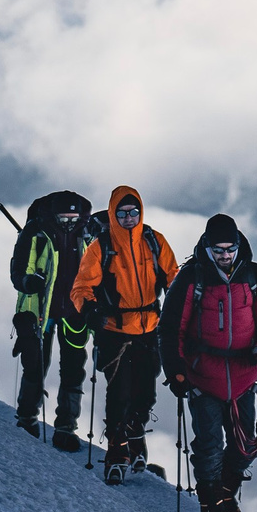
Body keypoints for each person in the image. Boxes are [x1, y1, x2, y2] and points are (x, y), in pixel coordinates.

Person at [159, 213, 257, 512]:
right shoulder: (191, 278)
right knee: (210, 448)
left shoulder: (254, 277)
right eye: (219, 249)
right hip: (203, 376)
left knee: (247, 445)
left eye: (230, 248)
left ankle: (226, 495)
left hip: (244, 373)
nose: (225, 255)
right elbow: (171, 328)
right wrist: (176, 371)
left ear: (239, 244)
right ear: (207, 246)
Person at [69, 185, 179, 483]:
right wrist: (90, 310)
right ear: (114, 214)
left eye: (134, 213)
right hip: (114, 331)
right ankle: (117, 451)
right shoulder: (102, 246)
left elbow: (173, 277)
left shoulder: (154, 241)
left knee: (146, 392)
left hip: (150, 329)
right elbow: (81, 287)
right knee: (119, 393)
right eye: (123, 213)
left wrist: (181, 304)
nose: (129, 218)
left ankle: (135, 433)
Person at [7, 190, 96, 445]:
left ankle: (66, 428)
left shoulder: (87, 233)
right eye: (64, 218)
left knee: (73, 369)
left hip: (75, 313)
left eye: (73, 218)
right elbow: (17, 270)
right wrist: (27, 281)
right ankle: (27, 419)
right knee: (35, 365)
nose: (69, 222)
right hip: (39, 311)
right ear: (54, 215)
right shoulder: (35, 232)